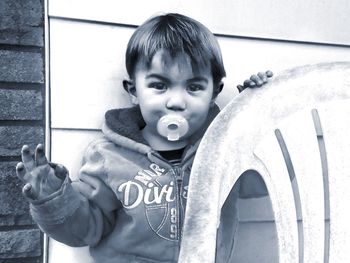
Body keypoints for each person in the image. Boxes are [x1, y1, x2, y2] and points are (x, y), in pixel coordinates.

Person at [16, 13, 272, 263]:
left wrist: (255, 116)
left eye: (194, 87)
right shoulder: (108, 157)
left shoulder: (223, 148)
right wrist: (54, 201)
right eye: (159, 86)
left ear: (214, 93)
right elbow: (87, 229)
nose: (176, 102)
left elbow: (263, 182)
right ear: (134, 91)